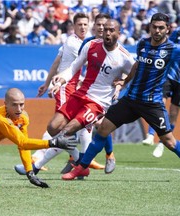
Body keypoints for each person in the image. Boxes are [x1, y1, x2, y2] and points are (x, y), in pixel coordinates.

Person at [64, 13, 180, 180]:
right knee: (103, 128)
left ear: (167, 29)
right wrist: (124, 82)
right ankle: (82, 167)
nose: (157, 30)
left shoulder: (173, 50)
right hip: (131, 99)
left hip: (152, 104)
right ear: (150, 27)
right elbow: (136, 66)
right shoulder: (143, 44)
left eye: (161, 28)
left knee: (169, 141)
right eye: (154, 27)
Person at [49, 18, 135, 180]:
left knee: (67, 131)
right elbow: (74, 66)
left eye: (111, 30)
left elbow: (135, 74)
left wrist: (122, 83)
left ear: (119, 33)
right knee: (52, 128)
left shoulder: (125, 57)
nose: (107, 33)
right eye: (105, 29)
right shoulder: (91, 45)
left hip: (98, 103)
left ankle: (81, 162)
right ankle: (79, 159)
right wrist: (61, 78)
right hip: (80, 94)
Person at [14, 12, 93, 175]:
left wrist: (46, 83)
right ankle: (80, 162)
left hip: (74, 88)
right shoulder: (74, 43)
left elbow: (57, 61)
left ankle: (78, 163)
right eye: (80, 25)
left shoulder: (78, 41)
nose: (83, 27)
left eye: (85, 24)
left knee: (76, 128)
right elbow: (88, 62)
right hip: (66, 88)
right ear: (74, 26)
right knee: (60, 130)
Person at [143, 25, 180, 157]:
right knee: (159, 103)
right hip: (169, 75)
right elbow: (168, 45)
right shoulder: (177, 32)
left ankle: (162, 143)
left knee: (174, 113)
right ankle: (150, 135)